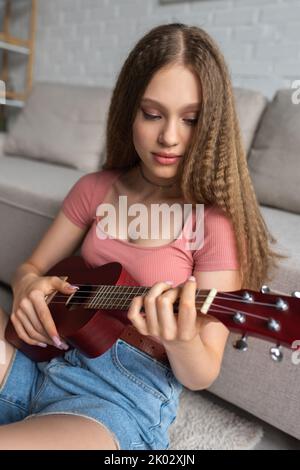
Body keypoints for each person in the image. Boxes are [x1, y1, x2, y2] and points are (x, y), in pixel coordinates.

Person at [0, 23, 283, 450]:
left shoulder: (214, 224)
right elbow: (30, 268)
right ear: (128, 110)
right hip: (43, 358)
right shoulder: (94, 189)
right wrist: (28, 288)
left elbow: (202, 371)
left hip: (118, 404)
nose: (169, 136)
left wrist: (179, 339)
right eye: (152, 114)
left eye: (190, 119)